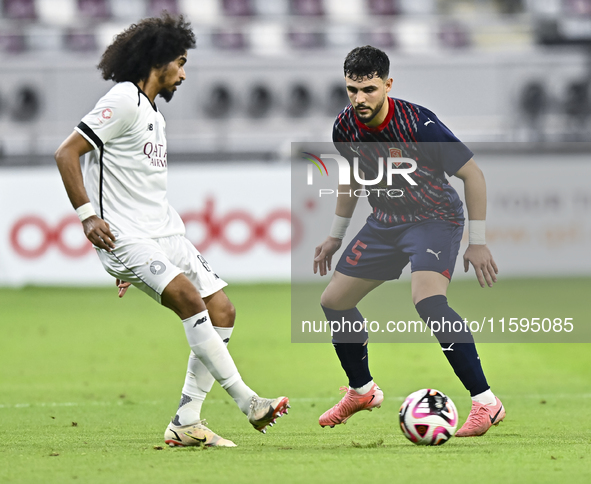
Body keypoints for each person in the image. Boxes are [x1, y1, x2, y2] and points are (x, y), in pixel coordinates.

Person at [54, 13, 289, 448]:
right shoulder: (123, 99)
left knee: (222, 310)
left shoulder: (153, 113)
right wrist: (88, 216)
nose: (183, 73)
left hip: (165, 232)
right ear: (158, 61)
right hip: (126, 236)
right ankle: (249, 402)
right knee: (187, 297)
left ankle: (186, 420)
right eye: (180, 62)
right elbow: (67, 153)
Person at [313, 45, 504, 437]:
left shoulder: (420, 125)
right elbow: (352, 178)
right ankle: (362, 390)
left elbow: (474, 175)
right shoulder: (345, 127)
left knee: (429, 302)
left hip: (434, 218)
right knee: (334, 301)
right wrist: (335, 236)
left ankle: (486, 402)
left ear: (387, 84)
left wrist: (478, 241)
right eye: (352, 89)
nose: (359, 99)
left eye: (368, 89)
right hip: (385, 222)